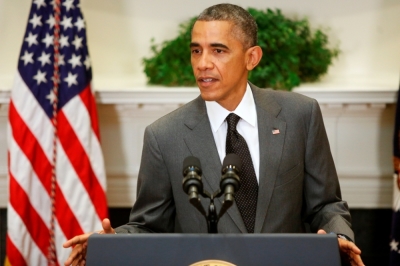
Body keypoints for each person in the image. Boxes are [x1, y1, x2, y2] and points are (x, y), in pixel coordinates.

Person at [64, 3, 364, 266]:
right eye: (197, 50)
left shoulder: (300, 115)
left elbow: (325, 204)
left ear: (252, 58)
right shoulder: (163, 135)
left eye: (218, 50)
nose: (202, 63)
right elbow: (150, 226)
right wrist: (110, 243)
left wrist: (337, 237)